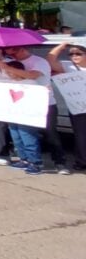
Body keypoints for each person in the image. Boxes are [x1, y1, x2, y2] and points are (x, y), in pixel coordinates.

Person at [1, 46, 66, 175]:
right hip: (19, 108)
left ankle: (59, 162)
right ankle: (24, 159)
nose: (11, 55)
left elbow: (32, 75)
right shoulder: (11, 62)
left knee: (50, 134)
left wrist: (7, 67)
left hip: (45, 104)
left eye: (13, 51)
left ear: (22, 49)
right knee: (18, 134)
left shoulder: (39, 62)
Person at [0, 60, 44, 175]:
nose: (9, 74)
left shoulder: (31, 83)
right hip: (13, 115)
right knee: (16, 138)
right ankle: (24, 159)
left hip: (26, 116)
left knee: (28, 138)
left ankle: (35, 162)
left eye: (11, 71)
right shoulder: (8, 83)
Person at [46, 42, 86, 171]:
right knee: (81, 136)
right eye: (71, 54)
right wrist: (62, 45)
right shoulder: (68, 67)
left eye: (78, 53)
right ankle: (82, 162)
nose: (74, 56)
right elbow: (51, 59)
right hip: (78, 108)